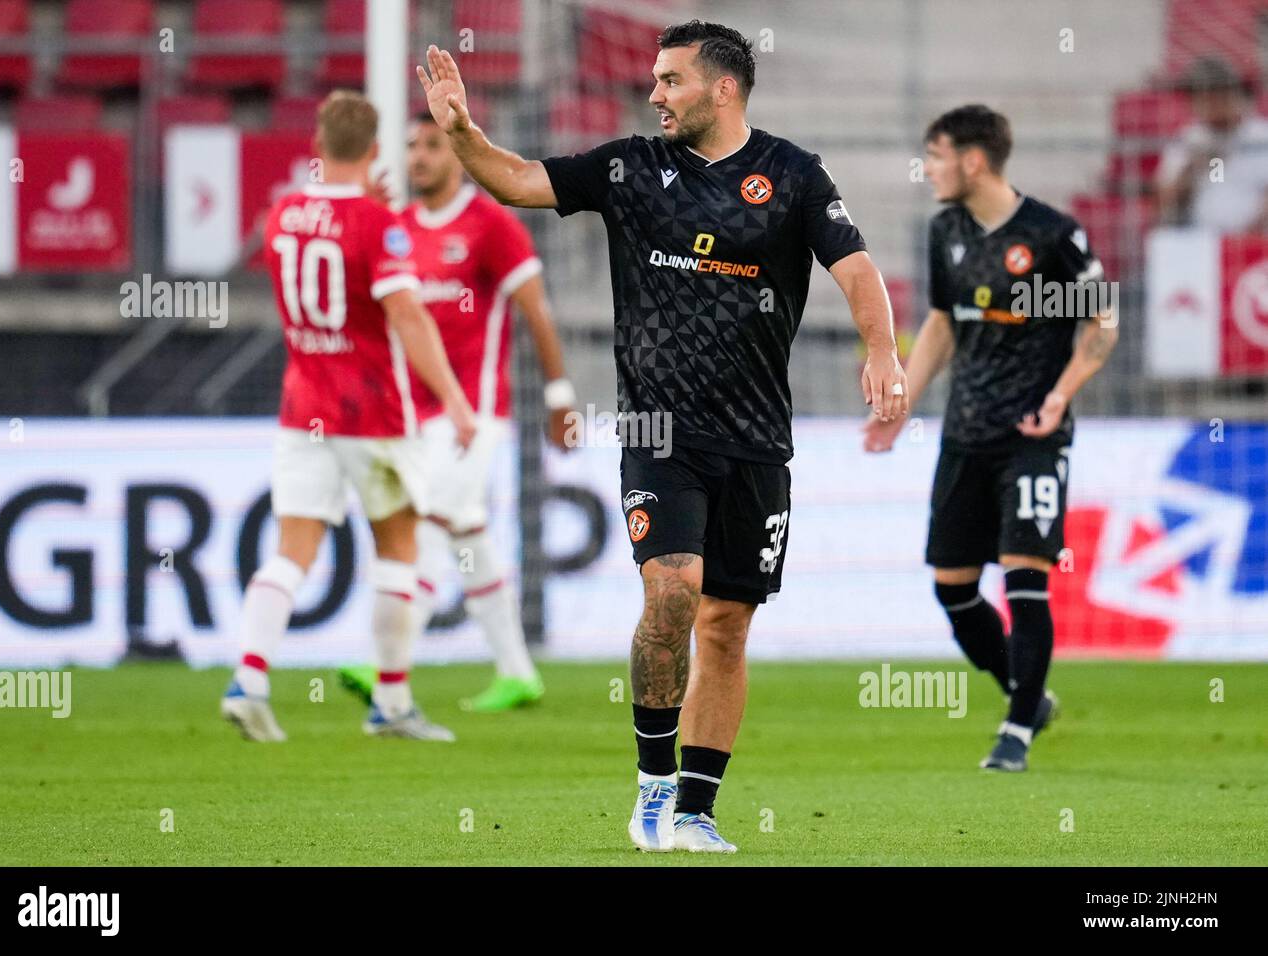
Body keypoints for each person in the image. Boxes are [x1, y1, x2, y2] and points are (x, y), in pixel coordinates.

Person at [418, 20, 907, 852]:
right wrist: (464, 133)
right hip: (658, 430)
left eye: (671, 80)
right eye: (654, 79)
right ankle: (650, 790)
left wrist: (883, 347)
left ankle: (696, 811)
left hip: (755, 438)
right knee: (671, 591)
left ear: (723, 88)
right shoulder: (629, 169)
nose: (654, 94)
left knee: (726, 625)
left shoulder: (792, 175)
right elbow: (518, 181)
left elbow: (855, 267)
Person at [864, 104, 1119, 771]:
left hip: (1034, 434)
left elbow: (1102, 323)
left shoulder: (1052, 234)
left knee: (1025, 579)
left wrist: (1060, 396)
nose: (931, 172)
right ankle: (1026, 695)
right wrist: (901, 402)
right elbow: (943, 324)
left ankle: (1016, 733)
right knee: (953, 588)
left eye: (937, 157)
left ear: (973, 160)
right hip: (966, 433)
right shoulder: (945, 229)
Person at [222, 90, 477, 743]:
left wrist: (373, 208)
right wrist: (451, 396)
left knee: (292, 551)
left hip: (302, 406)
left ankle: (249, 678)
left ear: (315, 146)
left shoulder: (282, 214)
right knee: (398, 546)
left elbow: (328, 239)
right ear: (372, 151)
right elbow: (408, 315)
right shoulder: (379, 224)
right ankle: (391, 703)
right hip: (372, 413)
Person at [338, 112, 577, 713]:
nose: (418, 156)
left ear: (457, 154)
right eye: (411, 146)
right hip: (415, 415)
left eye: (431, 146)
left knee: (428, 525)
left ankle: (385, 664)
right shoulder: (400, 228)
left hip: (476, 413)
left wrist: (559, 397)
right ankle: (518, 673)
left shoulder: (489, 224)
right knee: (468, 534)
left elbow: (536, 312)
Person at [1156, 55, 1268, 233]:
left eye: (1220, 97)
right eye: (1205, 99)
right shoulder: (1189, 139)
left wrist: (1253, 232)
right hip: (1200, 243)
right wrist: (1193, 168)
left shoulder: (1261, 136)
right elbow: (1164, 200)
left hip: (1255, 241)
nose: (1214, 106)